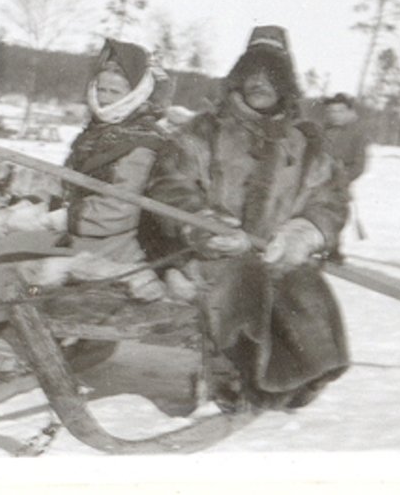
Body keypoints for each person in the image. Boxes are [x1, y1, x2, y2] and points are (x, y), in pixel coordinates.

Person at [137, 25, 350, 411]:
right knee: (240, 283)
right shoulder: (201, 132)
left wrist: (303, 233)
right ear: (237, 77)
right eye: (251, 73)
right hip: (210, 255)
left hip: (277, 253)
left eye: (271, 75)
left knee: (305, 289)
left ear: (285, 84)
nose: (259, 83)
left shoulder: (307, 145)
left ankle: (300, 380)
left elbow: (330, 199)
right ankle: (234, 376)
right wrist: (202, 222)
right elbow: (169, 184)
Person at [0, 38, 172, 371]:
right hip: (81, 233)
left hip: (110, 246)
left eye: (115, 92)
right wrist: (16, 194)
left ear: (135, 94)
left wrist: (47, 221)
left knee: (8, 253)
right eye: (101, 88)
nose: (104, 97)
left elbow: (115, 211)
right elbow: (68, 183)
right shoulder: (100, 132)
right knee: (0, 248)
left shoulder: (142, 144)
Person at [320, 92, 367, 263]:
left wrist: (342, 177)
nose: (335, 115)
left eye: (339, 111)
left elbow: (359, 165)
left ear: (348, 112)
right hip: (316, 181)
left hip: (338, 183)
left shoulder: (356, 134)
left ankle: (333, 248)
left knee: (337, 214)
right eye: (331, 111)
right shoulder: (322, 130)